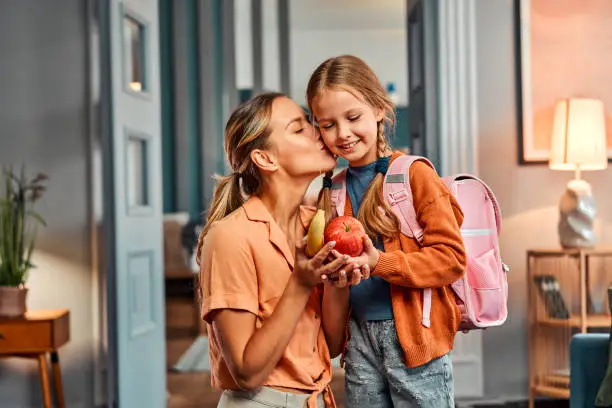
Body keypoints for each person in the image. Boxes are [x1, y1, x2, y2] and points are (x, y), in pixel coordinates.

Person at [307, 55, 467, 407]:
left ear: (379, 109)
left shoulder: (414, 174)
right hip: (359, 341)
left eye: (352, 118)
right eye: (328, 124)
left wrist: (380, 261)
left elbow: (452, 259)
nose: (343, 134)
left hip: (415, 341)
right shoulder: (331, 190)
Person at [196, 92, 368, 408]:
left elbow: (328, 346)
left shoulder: (317, 224)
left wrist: (338, 283)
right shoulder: (230, 237)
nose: (320, 130)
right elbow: (246, 373)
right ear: (266, 158)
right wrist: (300, 285)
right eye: (299, 127)